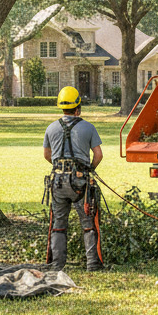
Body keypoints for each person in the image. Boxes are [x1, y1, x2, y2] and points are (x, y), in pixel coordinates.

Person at [42, 86, 106, 271]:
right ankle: (92, 264)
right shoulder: (88, 127)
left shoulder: (51, 128)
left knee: (58, 224)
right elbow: (98, 154)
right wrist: (89, 169)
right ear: (78, 107)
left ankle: (57, 265)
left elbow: (47, 155)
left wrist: (60, 167)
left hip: (58, 182)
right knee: (88, 224)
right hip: (80, 182)